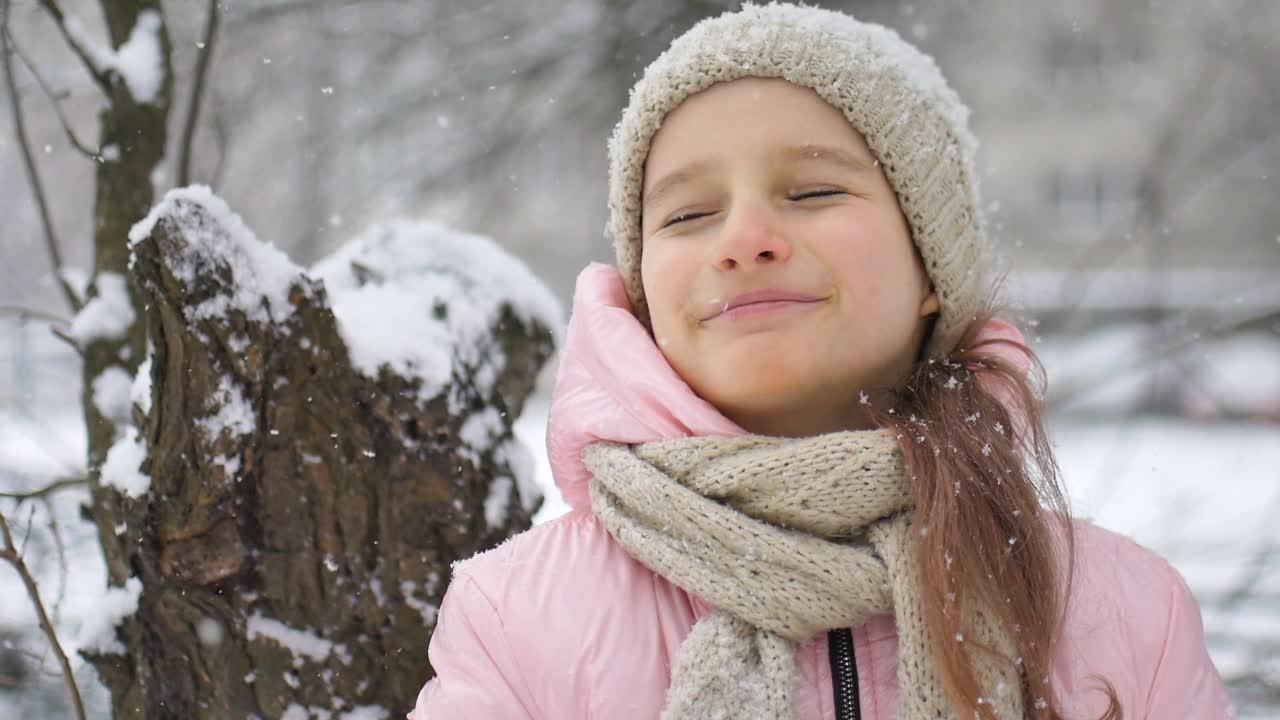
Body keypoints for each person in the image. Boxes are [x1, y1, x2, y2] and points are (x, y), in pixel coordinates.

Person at [409, 4, 1231, 718]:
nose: (743, 241)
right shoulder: (519, 616)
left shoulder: (1121, 611)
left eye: (812, 193)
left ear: (929, 271)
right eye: (690, 213)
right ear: (643, 293)